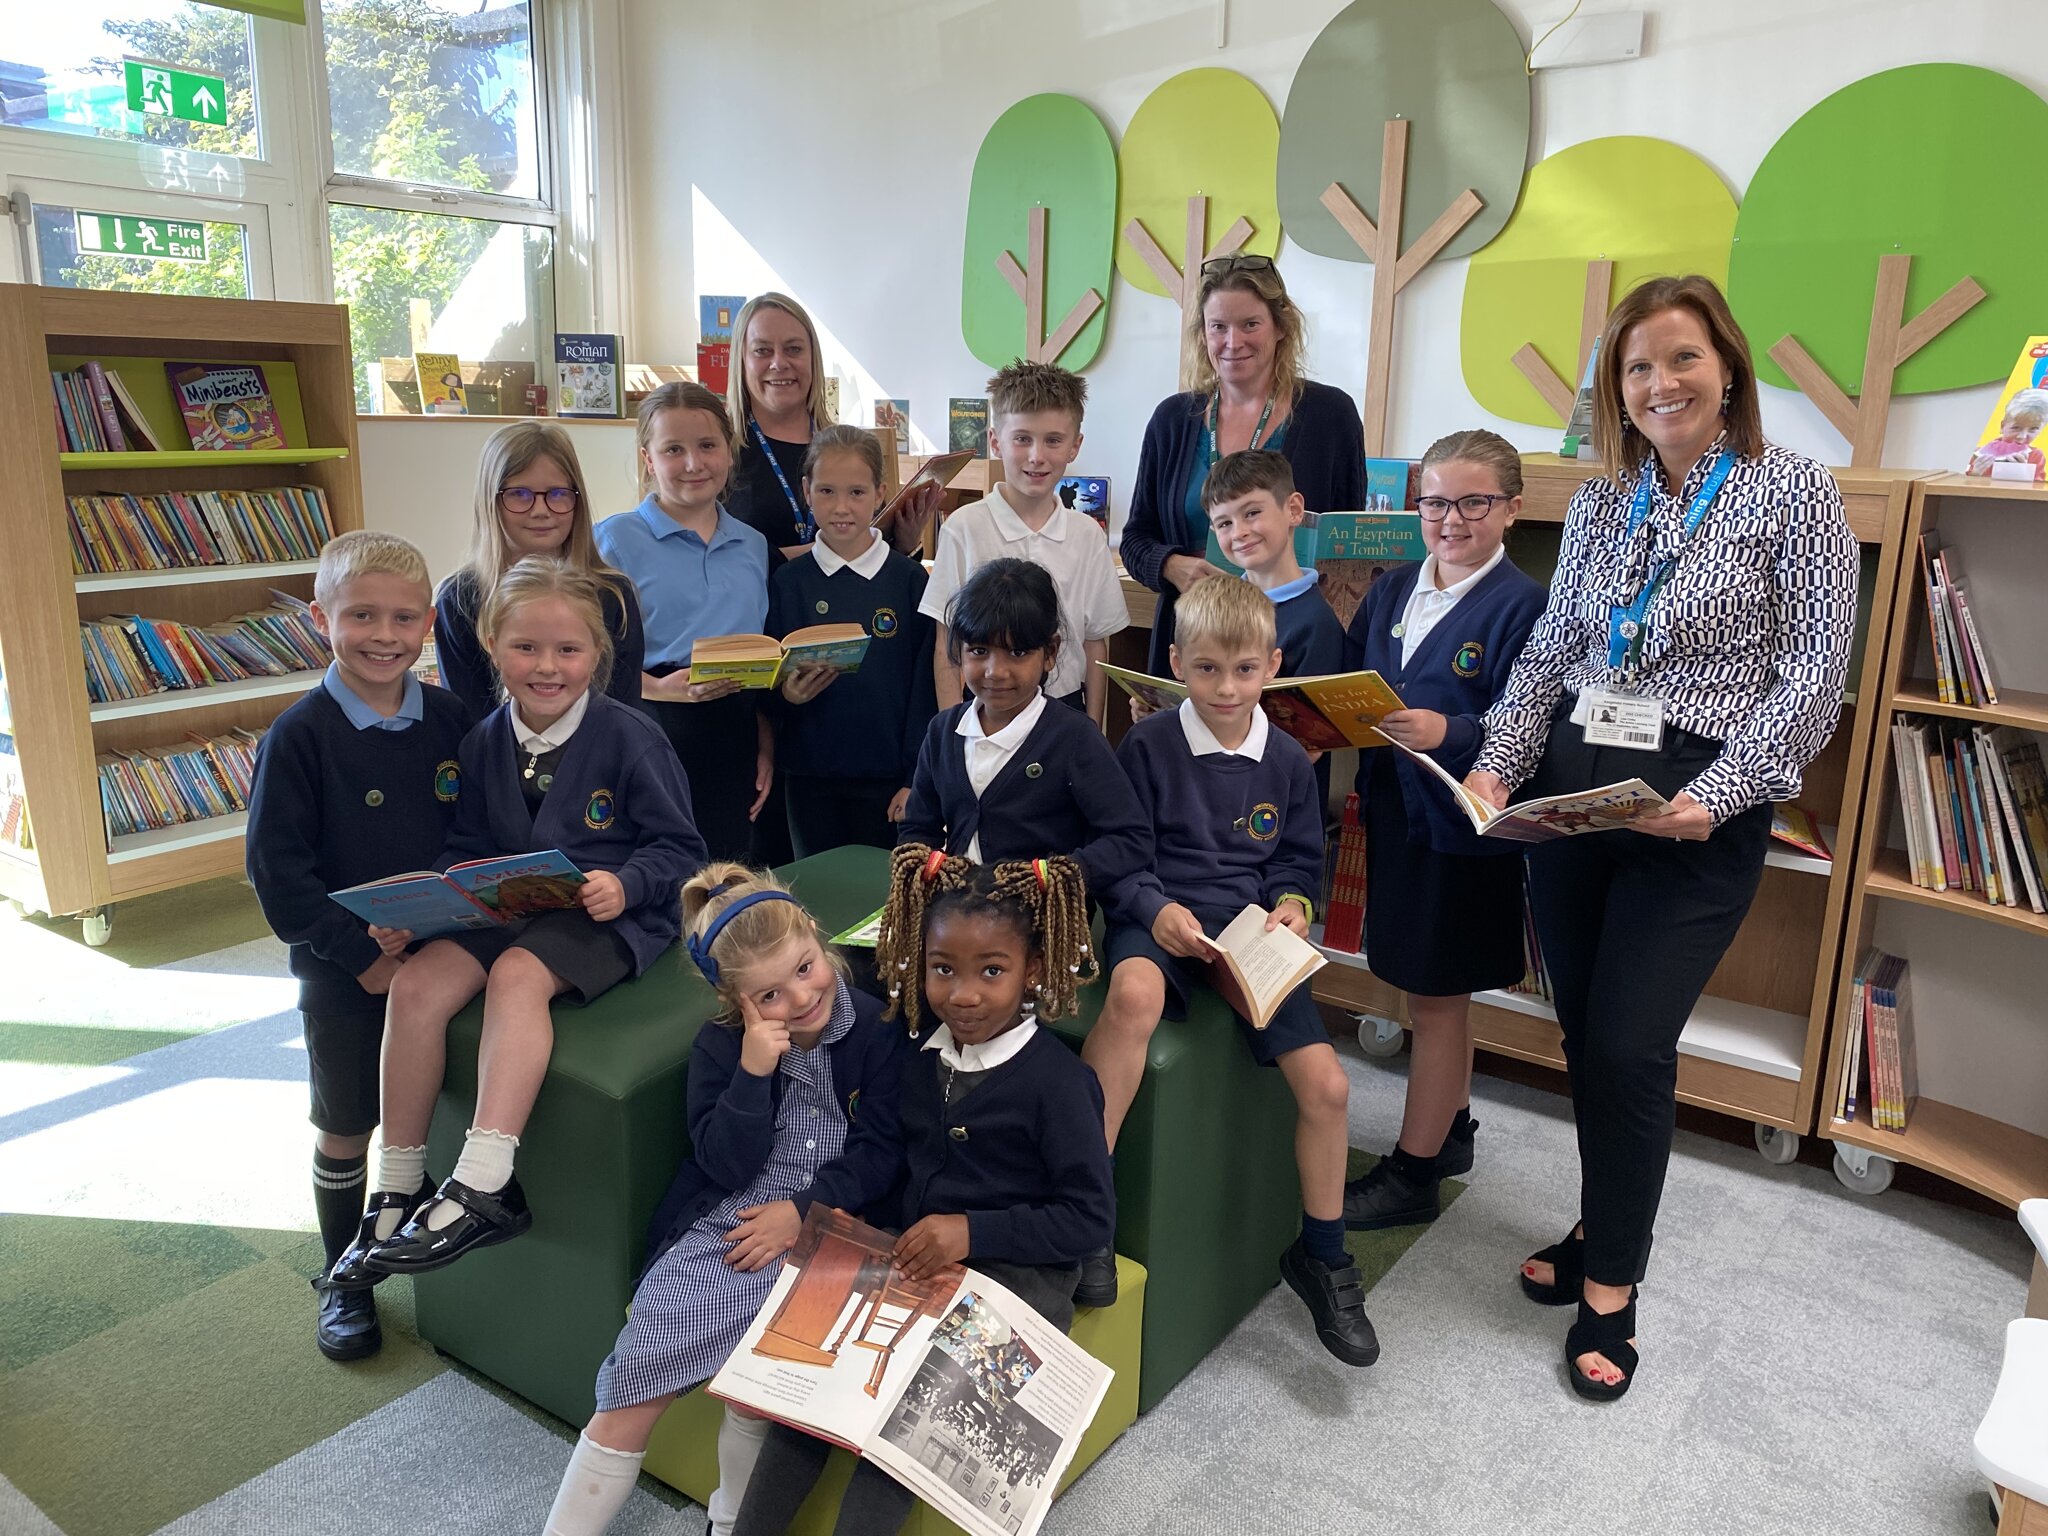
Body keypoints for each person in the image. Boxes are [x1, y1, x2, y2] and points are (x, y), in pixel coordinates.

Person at [1464, 274, 1858, 1401]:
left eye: (1679, 359)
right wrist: (1498, 758)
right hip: (1573, 790)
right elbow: (1550, 652)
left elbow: (1812, 677)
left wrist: (1726, 787)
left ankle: (1612, 1294)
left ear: (1726, 367)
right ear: (1615, 390)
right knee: (1586, 1036)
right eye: (1636, 368)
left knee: (1633, 1044)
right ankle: (1601, 1229)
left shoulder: (1793, 495)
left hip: (1693, 803)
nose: (1658, 383)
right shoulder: (1599, 502)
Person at [324, 559, 708, 1290]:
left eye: (568, 650)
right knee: (417, 986)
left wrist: (624, 886)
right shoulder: (481, 741)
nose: (548, 666)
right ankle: (397, 1184)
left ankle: (483, 1180)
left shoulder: (632, 736)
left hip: (605, 915)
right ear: (492, 646)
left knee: (518, 975)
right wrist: (431, 902)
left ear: (598, 655)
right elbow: (469, 843)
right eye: (526, 647)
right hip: (504, 908)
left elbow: (680, 850)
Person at [730, 844, 1115, 1536]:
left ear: (1031, 970)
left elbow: (1087, 1219)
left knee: (906, 1423)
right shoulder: (911, 1047)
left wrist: (972, 1231)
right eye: (943, 970)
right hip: (913, 1260)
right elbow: (879, 1149)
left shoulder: (1059, 1084)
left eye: (991, 972)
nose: (963, 995)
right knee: (811, 1400)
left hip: (1017, 1277)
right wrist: (819, 1216)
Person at [542, 865, 908, 1536]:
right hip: (731, 1225)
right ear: (733, 999)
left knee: (758, 1393)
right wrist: (753, 1071)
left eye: (804, 969)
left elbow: (883, 1157)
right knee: (637, 1373)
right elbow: (723, 1161)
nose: (800, 998)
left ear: (815, 937)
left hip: (834, 1229)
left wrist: (802, 1211)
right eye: (769, 993)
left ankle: (731, 1523)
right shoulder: (721, 1048)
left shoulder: (878, 1033)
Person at [1082, 579, 1376, 1362]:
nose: (1226, 688)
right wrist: (1153, 910)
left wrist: (1293, 908)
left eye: (1245, 671)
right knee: (1134, 995)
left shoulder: (1285, 758)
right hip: (1162, 917)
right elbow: (1121, 858)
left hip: (1246, 936)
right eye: (1207, 669)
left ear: (1272, 666)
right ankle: (1086, 1209)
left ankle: (1323, 1253)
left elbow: (1295, 860)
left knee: (1331, 1086)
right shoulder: (1145, 747)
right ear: (1177, 663)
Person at [245, 530, 472, 1362]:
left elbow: (476, 830)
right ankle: (345, 1276)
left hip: (443, 962)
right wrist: (362, 955)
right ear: (320, 618)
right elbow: (278, 876)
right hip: (345, 976)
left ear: (429, 625)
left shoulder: (452, 718)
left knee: (437, 1108)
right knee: (349, 1124)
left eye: (405, 617)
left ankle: (431, 1242)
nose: (385, 634)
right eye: (362, 615)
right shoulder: (299, 736)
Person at [1337, 430, 1546, 1233]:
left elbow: (1524, 723)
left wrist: (1449, 733)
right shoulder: (1392, 589)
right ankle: (1451, 1127)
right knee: (1420, 982)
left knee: (1437, 1001)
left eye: (1472, 502)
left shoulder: (1525, 607)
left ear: (1511, 509)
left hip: (1463, 832)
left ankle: (1414, 1172)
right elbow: (1359, 680)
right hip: (1396, 818)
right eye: (1434, 501)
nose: (1450, 519)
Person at [1120, 255, 1365, 674]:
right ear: (1203, 334)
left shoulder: (1331, 415)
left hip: (1290, 642)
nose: (1233, 342)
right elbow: (1136, 538)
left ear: (1281, 326)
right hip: (1193, 636)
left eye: (1250, 324)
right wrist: (1171, 566)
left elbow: (1349, 541)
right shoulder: (1172, 420)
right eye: (1218, 327)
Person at [895, 558, 1149, 901]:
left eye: (1017, 652)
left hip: (1042, 922)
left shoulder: (1075, 737)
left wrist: (1057, 876)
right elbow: (918, 830)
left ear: (1050, 653)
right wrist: (925, 870)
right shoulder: (943, 731)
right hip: (958, 917)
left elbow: (1130, 839)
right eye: (979, 651)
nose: (995, 671)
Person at [596, 381, 772, 862]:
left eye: (707, 446)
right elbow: (586, 659)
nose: (694, 464)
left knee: (726, 876)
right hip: (651, 725)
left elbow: (760, 658)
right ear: (649, 459)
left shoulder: (753, 546)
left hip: (733, 733)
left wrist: (765, 743)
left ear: (730, 452)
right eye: (673, 449)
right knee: (659, 875)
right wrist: (661, 689)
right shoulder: (613, 542)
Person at [919, 360, 1127, 724]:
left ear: (1075, 446)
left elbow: (1096, 644)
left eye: (1053, 440)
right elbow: (946, 646)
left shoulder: (1087, 535)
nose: (1037, 456)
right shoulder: (964, 528)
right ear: (996, 442)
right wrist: (951, 734)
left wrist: (1092, 730)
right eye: (1022, 439)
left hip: (1063, 709)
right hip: (982, 707)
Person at [767, 425, 938, 857]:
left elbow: (926, 689)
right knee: (817, 898)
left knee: (880, 904)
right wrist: (788, 694)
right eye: (826, 491)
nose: (841, 507)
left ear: (881, 493)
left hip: (889, 784)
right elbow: (766, 685)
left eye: (857, 493)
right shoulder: (788, 583)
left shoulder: (908, 580)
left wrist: (914, 776)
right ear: (806, 491)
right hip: (808, 779)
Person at [435, 421, 646, 720]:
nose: (541, 510)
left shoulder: (614, 595)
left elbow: (625, 713)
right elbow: (468, 722)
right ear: (490, 500)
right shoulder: (458, 599)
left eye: (558, 493)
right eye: (519, 494)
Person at [1204, 447, 1347, 807]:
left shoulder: (1315, 624)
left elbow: (1308, 745)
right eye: (1224, 523)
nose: (1239, 532)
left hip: (1279, 804)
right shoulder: (1212, 607)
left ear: (1294, 510)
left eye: (1252, 513)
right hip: (1208, 794)